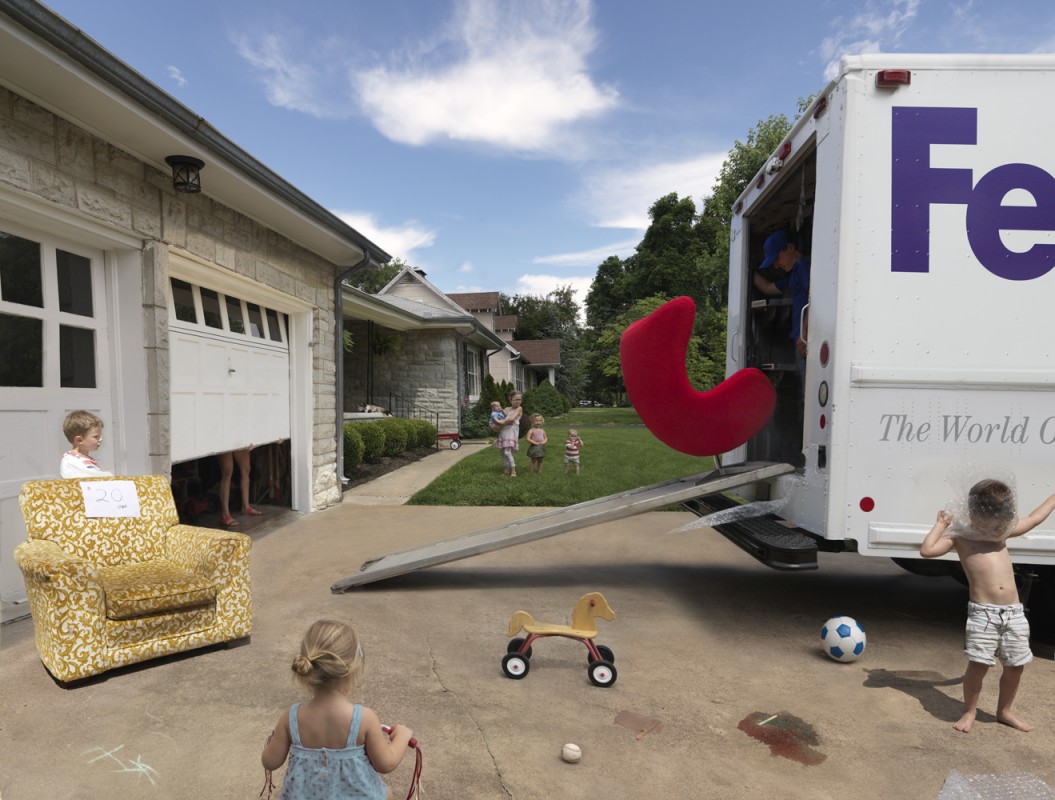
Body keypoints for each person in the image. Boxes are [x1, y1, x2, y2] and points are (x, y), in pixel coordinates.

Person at [920, 479, 1055, 733]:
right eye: (990, 523)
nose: (995, 529)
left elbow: (1036, 518)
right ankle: (969, 711)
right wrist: (940, 525)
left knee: (1016, 666)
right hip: (983, 614)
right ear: (973, 514)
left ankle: (1004, 711)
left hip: (1014, 613)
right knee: (979, 665)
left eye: (1001, 523)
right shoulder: (960, 537)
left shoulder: (1001, 532)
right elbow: (927, 551)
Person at [261, 619, 413, 799]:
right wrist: (402, 736)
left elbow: (269, 762)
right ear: (353, 667)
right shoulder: (364, 719)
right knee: (386, 794)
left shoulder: (291, 718)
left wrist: (275, 738)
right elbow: (386, 764)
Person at [753, 229, 810, 367]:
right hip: (800, 340)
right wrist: (748, 272)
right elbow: (767, 287)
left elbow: (816, 299)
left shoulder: (803, 266)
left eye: (777, 258)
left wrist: (804, 332)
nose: (776, 265)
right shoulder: (794, 275)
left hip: (805, 341)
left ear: (790, 248)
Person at [60, 410, 114, 478]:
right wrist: (109, 476)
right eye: (96, 436)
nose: (100, 439)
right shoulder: (70, 461)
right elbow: (88, 479)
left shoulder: (86, 459)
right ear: (79, 440)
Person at [218, 446, 259, 527]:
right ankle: (225, 515)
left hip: (238, 436)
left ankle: (245, 506)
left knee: (246, 469)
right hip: (224, 436)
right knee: (227, 471)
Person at [494, 391, 523, 477]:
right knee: (502, 452)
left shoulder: (519, 409)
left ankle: (513, 470)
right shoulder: (506, 409)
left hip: (511, 432)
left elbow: (511, 419)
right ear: (510, 400)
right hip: (503, 431)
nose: (518, 401)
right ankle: (506, 470)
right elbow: (496, 416)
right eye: (515, 399)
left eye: (519, 399)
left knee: (507, 452)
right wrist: (495, 424)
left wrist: (500, 422)